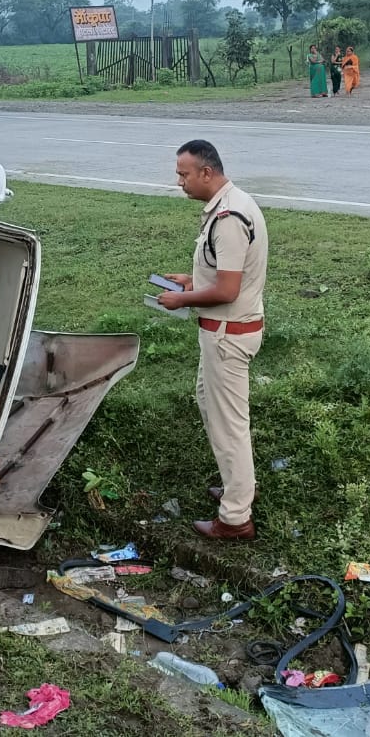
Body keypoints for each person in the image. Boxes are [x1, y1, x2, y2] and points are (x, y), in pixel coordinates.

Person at [155, 140, 267, 540]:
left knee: (229, 427)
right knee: (211, 407)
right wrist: (192, 280)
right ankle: (238, 486)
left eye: (184, 174)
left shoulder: (230, 217)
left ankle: (236, 519)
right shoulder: (230, 204)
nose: (179, 182)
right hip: (223, 334)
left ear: (206, 172)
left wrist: (182, 298)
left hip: (227, 337)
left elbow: (228, 291)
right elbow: (221, 275)